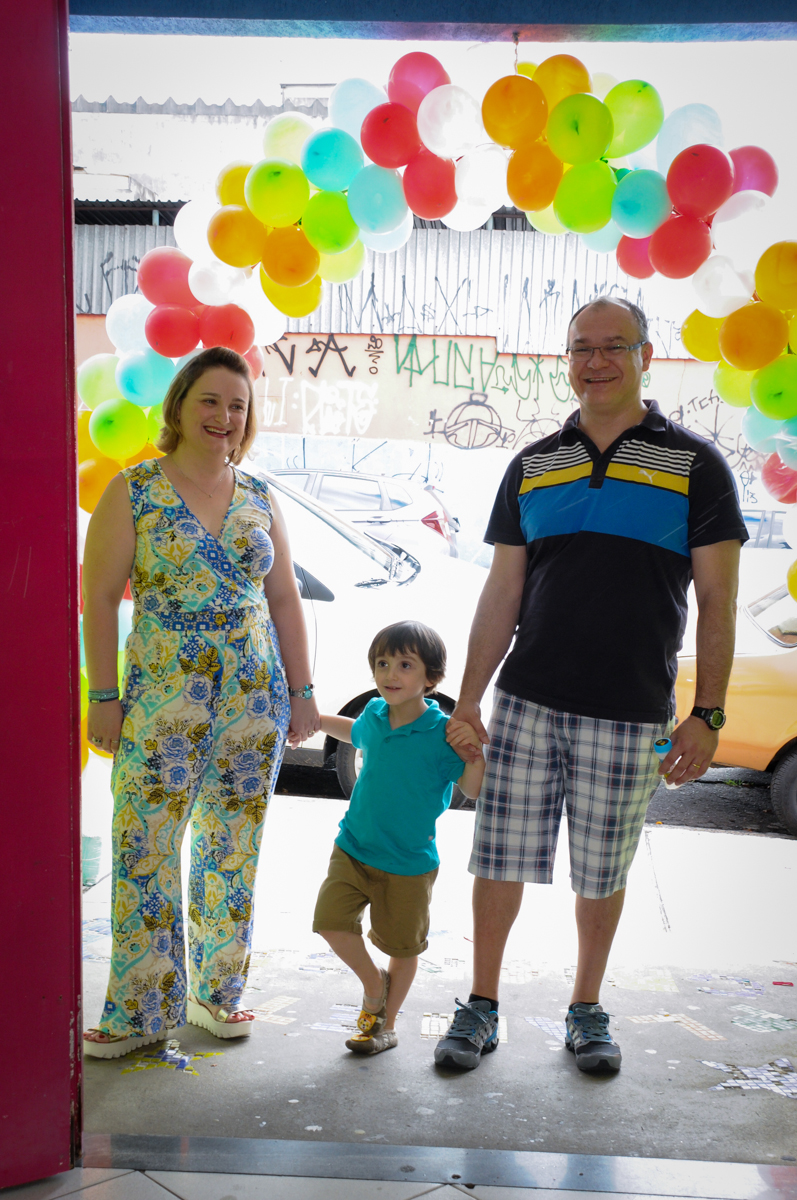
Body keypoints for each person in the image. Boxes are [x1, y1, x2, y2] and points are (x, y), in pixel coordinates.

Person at [435, 297, 748, 1074]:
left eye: (614, 346)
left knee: (603, 871)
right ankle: (480, 1005)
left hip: (630, 710)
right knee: (498, 859)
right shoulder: (533, 464)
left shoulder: (695, 465)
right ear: (566, 359)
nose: (596, 361)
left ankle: (585, 1008)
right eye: (581, 347)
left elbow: (718, 602)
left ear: (645, 356)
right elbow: (501, 594)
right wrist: (469, 696)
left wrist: (707, 714)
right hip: (526, 701)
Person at [82, 346, 319, 1058]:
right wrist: (104, 696)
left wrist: (303, 692)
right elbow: (99, 598)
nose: (224, 416)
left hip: (253, 697)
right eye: (210, 401)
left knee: (231, 844)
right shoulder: (135, 490)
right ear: (180, 406)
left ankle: (217, 993)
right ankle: (139, 1009)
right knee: (144, 842)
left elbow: (285, 598)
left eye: (237, 406)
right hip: (160, 697)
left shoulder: (260, 495)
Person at [309, 621, 485, 1056]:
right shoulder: (374, 714)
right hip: (353, 847)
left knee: (402, 948)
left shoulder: (442, 733)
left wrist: (475, 755)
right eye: (383, 663)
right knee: (330, 922)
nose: (390, 673)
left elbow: (473, 788)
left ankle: (384, 1026)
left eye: (405, 665)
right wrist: (315, 721)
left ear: (431, 677)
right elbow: (354, 732)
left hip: (408, 864)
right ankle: (374, 985)